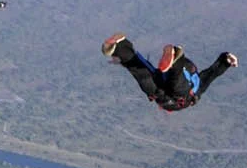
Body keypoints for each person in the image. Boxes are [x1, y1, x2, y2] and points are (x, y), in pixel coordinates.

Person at [100, 35, 236, 112]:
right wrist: (225, 61)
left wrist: (225, 60)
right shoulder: (196, 89)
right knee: (144, 74)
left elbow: (211, 73)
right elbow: (211, 74)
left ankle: (119, 48)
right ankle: (118, 48)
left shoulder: (194, 85)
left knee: (143, 73)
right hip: (175, 95)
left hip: (168, 92)